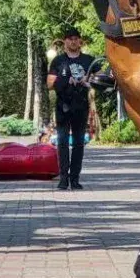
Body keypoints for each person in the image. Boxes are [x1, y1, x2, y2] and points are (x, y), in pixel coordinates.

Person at [47, 27, 95, 190]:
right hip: (63, 106)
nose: (73, 41)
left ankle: (75, 179)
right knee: (62, 143)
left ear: (79, 41)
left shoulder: (89, 60)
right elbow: (49, 83)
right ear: (65, 42)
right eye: (70, 38)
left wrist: (87, 81)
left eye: (76, 38)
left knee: (79, 143)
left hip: (81, 105)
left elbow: (101, 79)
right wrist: (67, 80)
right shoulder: (58, 61)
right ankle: (63, 179)